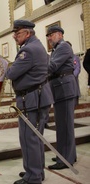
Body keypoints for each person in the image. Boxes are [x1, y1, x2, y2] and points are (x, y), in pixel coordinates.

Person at [6, 20, 54, 184]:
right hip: (37, 98)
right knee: (35, 137)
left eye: (17, 33)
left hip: (33, 99)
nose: (14, 36)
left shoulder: (28, 50)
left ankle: (33, 177)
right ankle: (36, 171)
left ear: (27, 33)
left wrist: (5, 68)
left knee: (30, 138)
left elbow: (11, 73)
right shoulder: (37, 46)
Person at [46, 26, 79, 170]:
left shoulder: (63, 47)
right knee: (62, 125)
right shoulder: (57, 49)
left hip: (64, 89)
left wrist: (35, 69)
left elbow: (52, 66)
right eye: (47, 35)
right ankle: (67, 154)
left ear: (59, 34)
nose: (48, 38)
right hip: (60, 90)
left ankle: (66, 159)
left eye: (51, 35)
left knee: (65, 126)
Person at [66, 41, 81, 105]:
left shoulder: (75, 57)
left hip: (73, 80)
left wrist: (72, 76)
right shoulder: (62, 58)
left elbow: (77, 68)